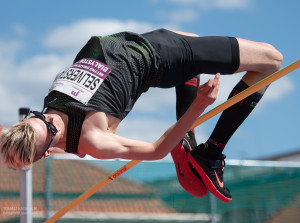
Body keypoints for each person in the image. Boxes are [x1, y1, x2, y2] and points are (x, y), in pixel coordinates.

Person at [0, 28, 283, 202]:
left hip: (144, 40)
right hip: (162, 56)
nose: (51, 117)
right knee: (272, 60)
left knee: (194, 39)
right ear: (49, 151)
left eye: (39, 116)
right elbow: (157, 150)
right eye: (51, 128)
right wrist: (198, 106)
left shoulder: (40, 126)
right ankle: (211, 152)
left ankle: (187, 141)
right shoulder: (94, 140)